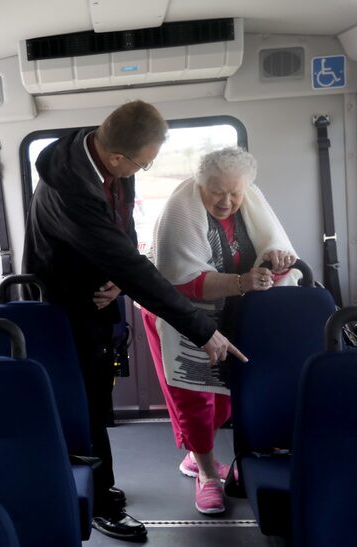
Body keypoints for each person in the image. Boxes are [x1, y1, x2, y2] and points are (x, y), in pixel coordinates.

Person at [22, 101, 247, 541]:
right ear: (116, 158)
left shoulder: (106, 155)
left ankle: (96, 485)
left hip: (97, 295)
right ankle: (97, 501)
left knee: (97, 397)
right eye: (142, 165)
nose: (140, 172)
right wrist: (201, 330)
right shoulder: (71, 188)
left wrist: (113, 279)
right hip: (61, 308)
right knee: (82, 404)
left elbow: (121, 235)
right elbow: (134, 267)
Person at [141, 147, 298, 515]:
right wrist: (242, 282)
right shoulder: (180, 210)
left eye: (235, 193)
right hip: (179, 317)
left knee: (226, 399)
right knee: (195, 399)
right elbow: (181, 282)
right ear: (200, 184)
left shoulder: (251, 201)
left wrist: (276, 262)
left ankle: (196, 457)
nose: (227, 201)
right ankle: (207, 475)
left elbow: (271, 250)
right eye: (217, 192)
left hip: (229, 313)